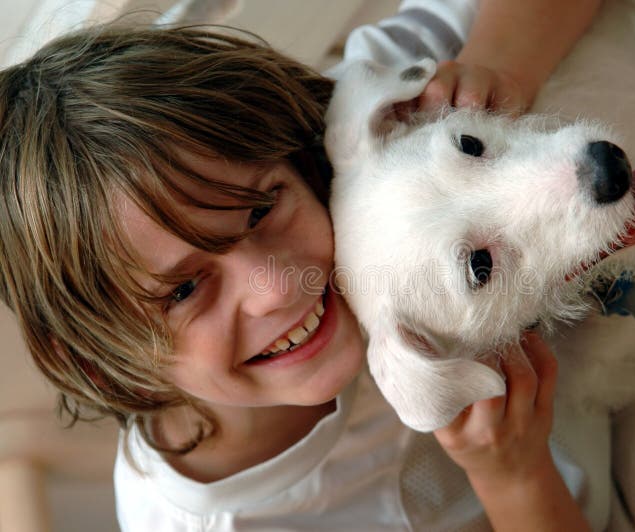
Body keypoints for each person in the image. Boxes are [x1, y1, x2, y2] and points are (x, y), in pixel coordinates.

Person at [0, 0, 602, 530]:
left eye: (262, 210)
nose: (276, 288)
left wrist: (495, 72)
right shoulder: (201, 521)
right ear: (102, 366)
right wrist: (513, 477)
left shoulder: (365, 130)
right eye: (184, 290)